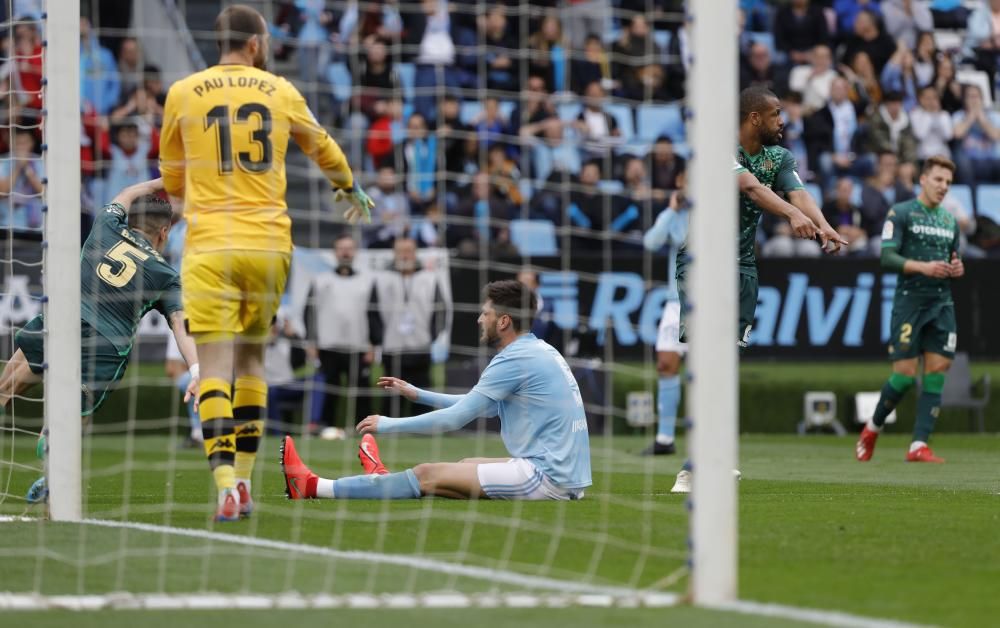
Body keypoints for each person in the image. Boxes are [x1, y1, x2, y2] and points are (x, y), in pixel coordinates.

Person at [158, 4, 373, 522]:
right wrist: (349, 187)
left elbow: (171, 176)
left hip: (210, 244)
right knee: (254, 362)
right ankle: (249, 480)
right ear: (255, 44)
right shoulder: (280, 91)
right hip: (269, 245)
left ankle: (225, 484)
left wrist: (190, 203)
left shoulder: (183, 93)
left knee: (214, 369)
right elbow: (322, 147)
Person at [670, 86, 847, 494]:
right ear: (753, 118)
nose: (782, 121)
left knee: (724, 365)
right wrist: (790, 215)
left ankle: (707, 460)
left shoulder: (780, 157)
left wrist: (822, 225)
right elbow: (750, 187)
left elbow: (799, 194)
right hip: (701, 263)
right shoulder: (717, 147)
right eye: (776, 114)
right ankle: (692, 467)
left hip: (742, 267)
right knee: (705, 361)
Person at [280, 279, 592, 501]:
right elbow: (479, 404)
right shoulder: (538, 349)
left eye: (486, 313)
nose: (480, 319)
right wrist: (420, 394)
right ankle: (383, 480)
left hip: (547, 478)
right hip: (564, 475)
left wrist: (389, 424)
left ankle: (312, 486)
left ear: (503, 321)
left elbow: (453, 420)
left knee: (426, 473)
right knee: (464, 467)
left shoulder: (514, 359)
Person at [0, 178, 199, 502]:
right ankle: (53, 466)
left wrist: (162, 180)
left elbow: (125, 193)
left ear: (131, 219)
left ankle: (52, 464)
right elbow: (180, 325)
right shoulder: (165, 274)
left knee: (5, 388)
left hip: (65, 321)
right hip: (106, 345)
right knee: (73, 418)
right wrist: (196, 370)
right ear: (164, 233)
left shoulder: (106, 223)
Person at [855, 156, 963, 464]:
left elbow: (954, 259)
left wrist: (956, 267)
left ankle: (919, 445)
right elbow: (887, 258)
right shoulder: (901, 213)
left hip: (941, 304)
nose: (944, 187)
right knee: (903, 376)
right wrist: (923, 267)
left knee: (937, 370)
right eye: (939, 180)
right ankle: (872, 429)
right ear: (923, 180)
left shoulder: (949, 221)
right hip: (910, 302)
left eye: (948, 183)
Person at [305, 234, 382, 431]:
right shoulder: (320, 280)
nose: (345, 252)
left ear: (355, 252)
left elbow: (373, 314)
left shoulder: (368, 281)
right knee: (329, 389)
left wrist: (374, 344)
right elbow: (310, 313)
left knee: (361, 391)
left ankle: (365, 429)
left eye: (349, 248)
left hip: (358, 345)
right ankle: (327, 428)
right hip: (328, 345)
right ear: (335, 252)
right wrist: (311, 342)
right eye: (341, 248)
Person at [641, 170, 690, 456]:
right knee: (666, 365)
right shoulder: (674, 215)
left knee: (707, 372)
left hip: (708, 302)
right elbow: (651, 242)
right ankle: (665, 439)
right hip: (676, 302)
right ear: (679, 182)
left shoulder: (717, 211)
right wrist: (672, 209)